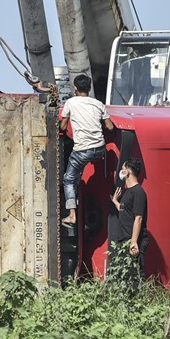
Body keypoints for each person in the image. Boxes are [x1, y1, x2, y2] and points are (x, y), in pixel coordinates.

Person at [59, 74, 115, 227]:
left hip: (82, 150)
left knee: (68, 180)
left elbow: (63, 127)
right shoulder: (98, 104)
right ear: (89, 89)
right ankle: (77, 192)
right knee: (77, 173)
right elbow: (109, 126)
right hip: (99, 149)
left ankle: (71, 215)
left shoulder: (70, 103)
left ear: (75, 88)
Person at [109, 157, 149, 283]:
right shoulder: (127, 192)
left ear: (128, 172)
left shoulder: (138, 192)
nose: (121, 172)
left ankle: (141, 300)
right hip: (125, 239)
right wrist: (115, 201)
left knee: (137, 274)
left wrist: (134, 242)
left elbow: (138, 218)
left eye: (122, 169)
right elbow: (125, 210)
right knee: (127, 276)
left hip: (133, 240)